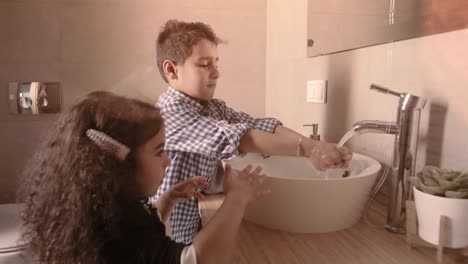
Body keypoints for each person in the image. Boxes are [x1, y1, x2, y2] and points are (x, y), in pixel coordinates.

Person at [153, 19, 353, 244]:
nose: (216, 72)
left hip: (189, 222)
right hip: (162, 232)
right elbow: (241, 138)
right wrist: (309, 150)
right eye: (204, 64)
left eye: (216, 63)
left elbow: (259, 125)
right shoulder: (170, 112)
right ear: (171, 70)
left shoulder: (212, 107)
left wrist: (313, 146)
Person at [19, 91, 270, 264]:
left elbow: (142, 250)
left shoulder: (97, 208)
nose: (167, 161)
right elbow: (194, 260)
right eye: (159, 152)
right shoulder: (117, 227)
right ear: (119, 162)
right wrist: (237, 198)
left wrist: (168, 200)